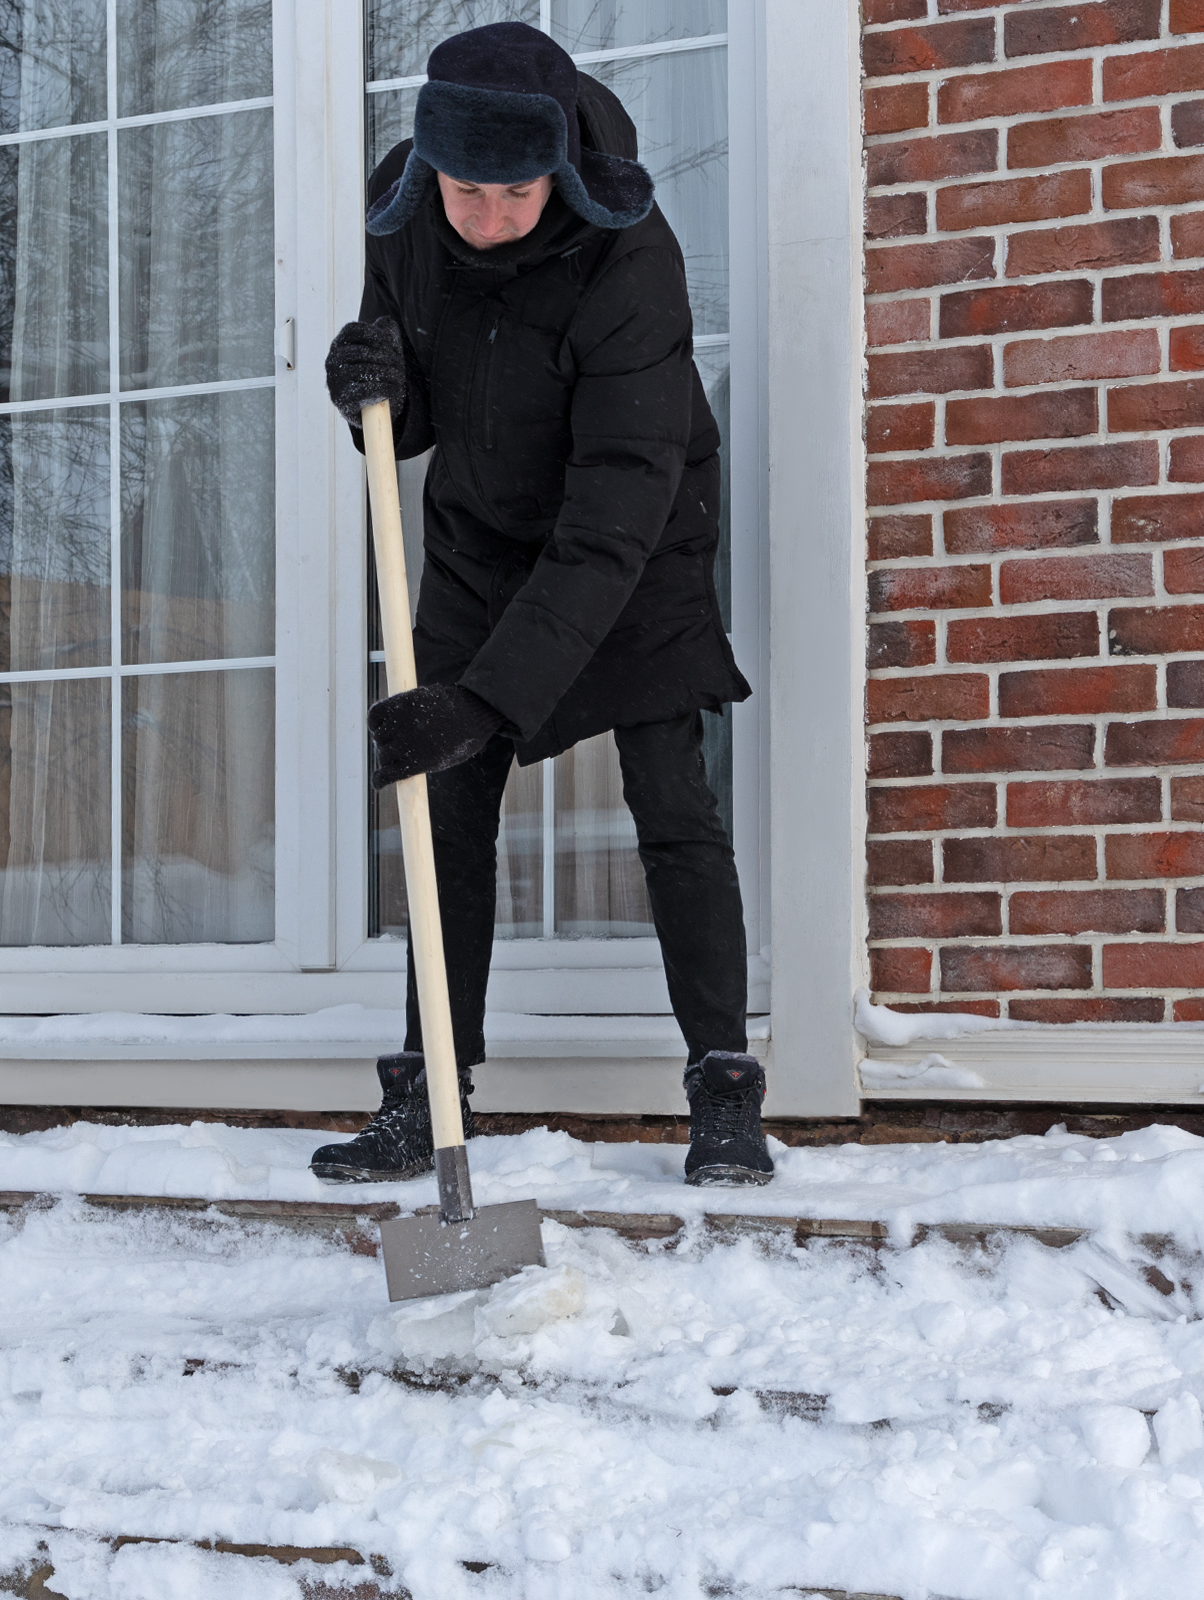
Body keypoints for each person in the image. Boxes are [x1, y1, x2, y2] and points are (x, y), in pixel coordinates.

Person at [309, 21, 771, 1188]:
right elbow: (409, 415)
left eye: (515, 193)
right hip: (478, 545)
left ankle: (722, 1091)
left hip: (634, 544)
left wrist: (486, 697)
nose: (488, 217)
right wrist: (363, 381)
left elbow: (616, 502)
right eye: (465, 191)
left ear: (557, 169)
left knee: (671, 802)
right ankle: (428, 1094)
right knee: (444, 817)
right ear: (430, 168)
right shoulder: (404, 211)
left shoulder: (630, 258)